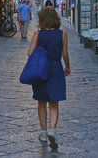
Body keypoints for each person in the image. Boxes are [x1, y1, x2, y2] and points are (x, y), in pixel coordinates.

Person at [28, 8, 70, 150]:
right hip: (56, 69)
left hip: (41, 70)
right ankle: (53, 129)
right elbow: (65, 53)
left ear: (42, 20)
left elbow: (30, 53)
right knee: (54, 103)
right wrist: (67, 67)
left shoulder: (37, 34)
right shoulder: (62, 34)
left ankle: (44, 132)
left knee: (41, 102)